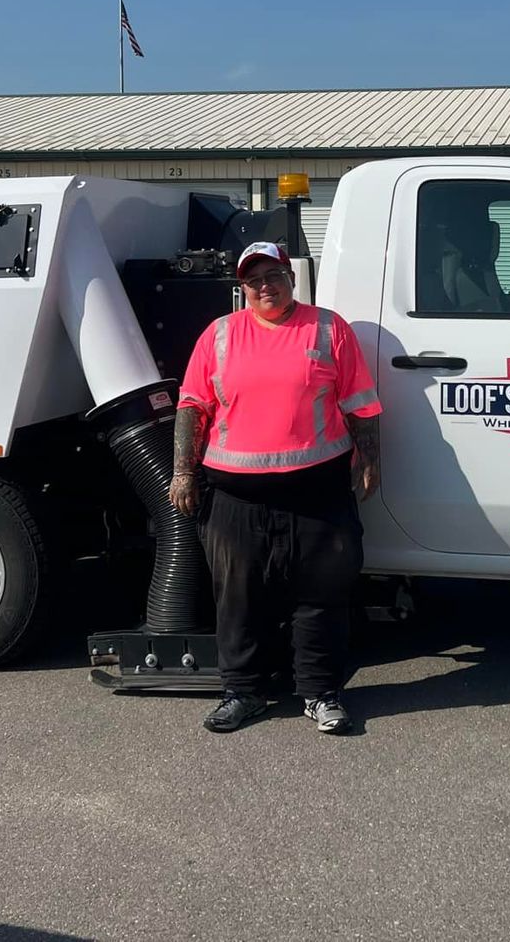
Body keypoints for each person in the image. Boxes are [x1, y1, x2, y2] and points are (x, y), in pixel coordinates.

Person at [170, 240, 382, 734]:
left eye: (274, 276)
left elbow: (361, 402)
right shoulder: (219, 335)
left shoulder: (328, 328)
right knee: (240, 600)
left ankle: (320, 693)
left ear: (291, 278)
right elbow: (192, 405)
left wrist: (371, 458)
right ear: (242, 288)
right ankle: (244, 693)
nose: (265, 286)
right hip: (236, 497)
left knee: (322, 596)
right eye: (254, 279)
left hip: (318, 492)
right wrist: (183, 472)